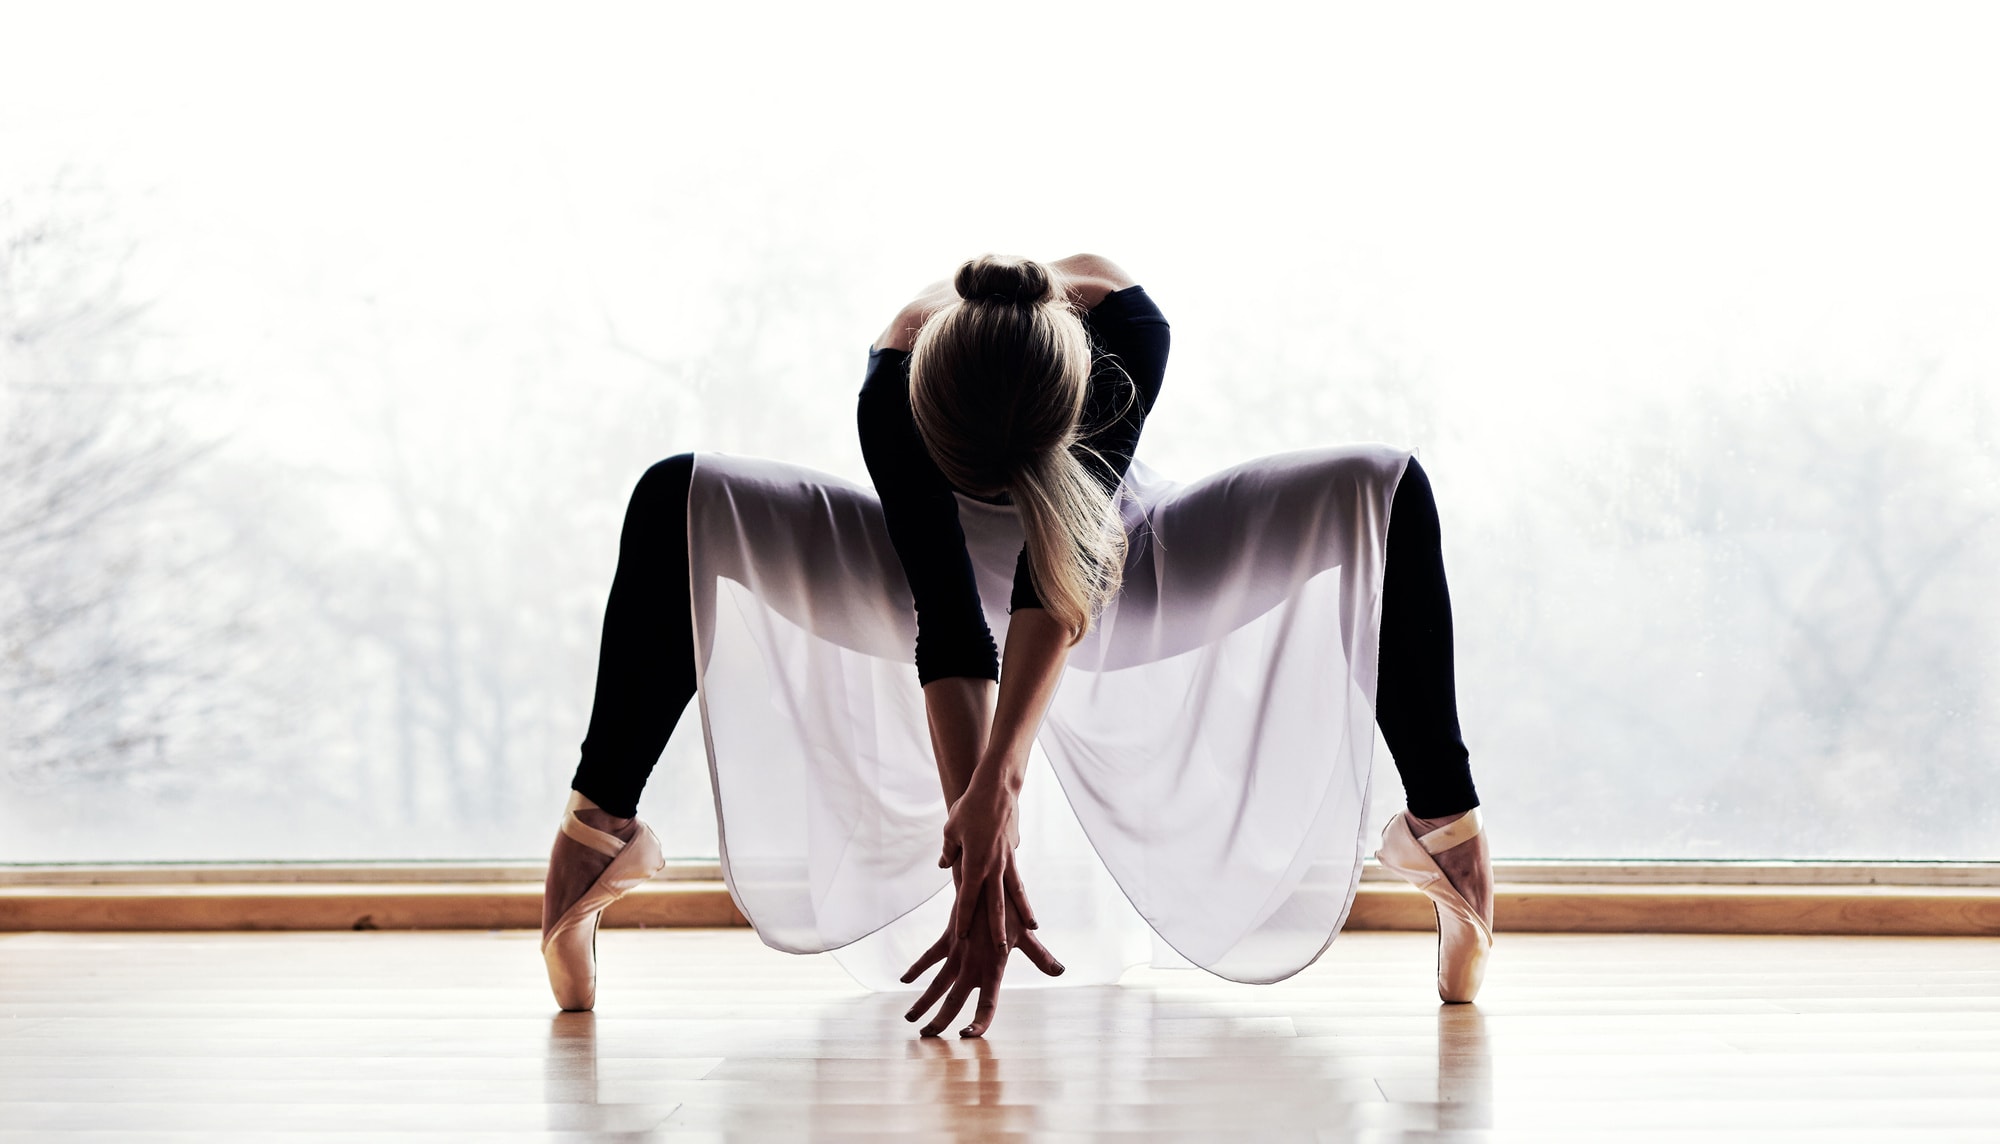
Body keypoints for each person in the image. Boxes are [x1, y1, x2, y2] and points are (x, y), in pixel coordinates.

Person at [540, 254, 1493, 1036]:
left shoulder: (1129, 337)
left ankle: (1453, 840)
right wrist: (980, 849)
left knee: (1387, 487)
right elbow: (948, 618)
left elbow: (1056, 579)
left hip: (1118, 571)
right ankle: (590, 844)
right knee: (674, 498)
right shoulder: (893, 389)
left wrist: (1001, 783)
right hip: (918, 576)